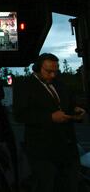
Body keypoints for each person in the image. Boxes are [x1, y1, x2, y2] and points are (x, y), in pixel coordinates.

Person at [13, 53, 86, 192]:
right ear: (37, 68)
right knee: (47, 185)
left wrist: (76, 109)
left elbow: (68, 103)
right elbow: (20, 115)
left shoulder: (60, 83)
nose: (53, 75)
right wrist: (50, 118)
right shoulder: (24, 86)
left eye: (55, 71)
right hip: (43, 152)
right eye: (49, 71)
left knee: (70, 185)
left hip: (67, 150)